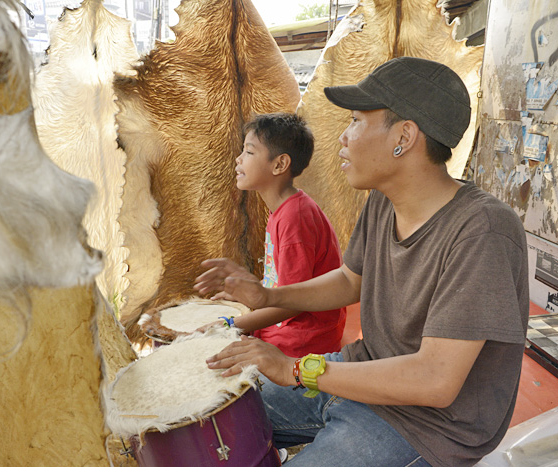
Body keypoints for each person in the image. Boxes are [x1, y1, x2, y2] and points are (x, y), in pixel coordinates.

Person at [194, 57, 529, 466]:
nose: (343, 137)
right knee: (213, 415)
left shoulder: (483, 230)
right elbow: (350, 281)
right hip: (361, 371)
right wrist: (266, 296)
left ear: (403, 137)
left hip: (428, 427)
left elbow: (435, 380)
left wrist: (298, 370)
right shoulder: (383, 201)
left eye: (354, 121)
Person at [197, 112, 346, 358]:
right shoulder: (284, 210)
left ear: (279, 164)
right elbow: (280, 287)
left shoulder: (294, 218)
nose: (238, 159)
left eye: (249, 152)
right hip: (285, 330)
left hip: (301, 344)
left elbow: (293, 302)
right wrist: (246, 298)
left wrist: (229, 325)